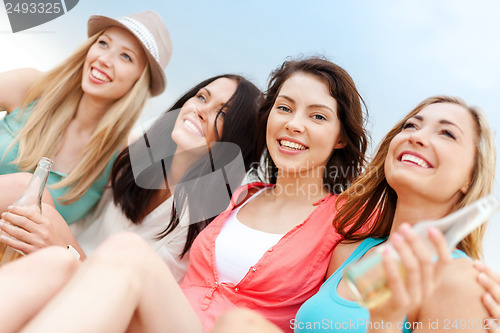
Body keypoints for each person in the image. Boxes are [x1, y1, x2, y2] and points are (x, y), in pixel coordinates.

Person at [0, 56, 369, 333]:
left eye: (317, 116)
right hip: (162, 318)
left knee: (122, 253)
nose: (293, 123)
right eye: (284, 108)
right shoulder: (242, 198)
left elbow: (343, 309)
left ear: (340, 135)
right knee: (57, 261)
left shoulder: (343, 220)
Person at [0, 74, 262, 281]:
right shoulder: (139, 158)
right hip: (58, 261)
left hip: (96, 300)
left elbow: (129, 296)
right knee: (29, 189)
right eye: (201, 97)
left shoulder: (205, 220)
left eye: (223, 113)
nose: (201, 110)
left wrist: (63, 249)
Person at [292, 96, 497, 332]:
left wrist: (385, 322)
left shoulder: (459, 281)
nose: (416, 137)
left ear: (470, 178)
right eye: (411, 126)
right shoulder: (349, 252)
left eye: (447, 134)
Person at [0, 11, 172, 225]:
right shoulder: (30, 86)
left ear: (140, 81)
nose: (104, 59)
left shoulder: (121, 156)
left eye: (126, 56)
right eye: (103, 43)